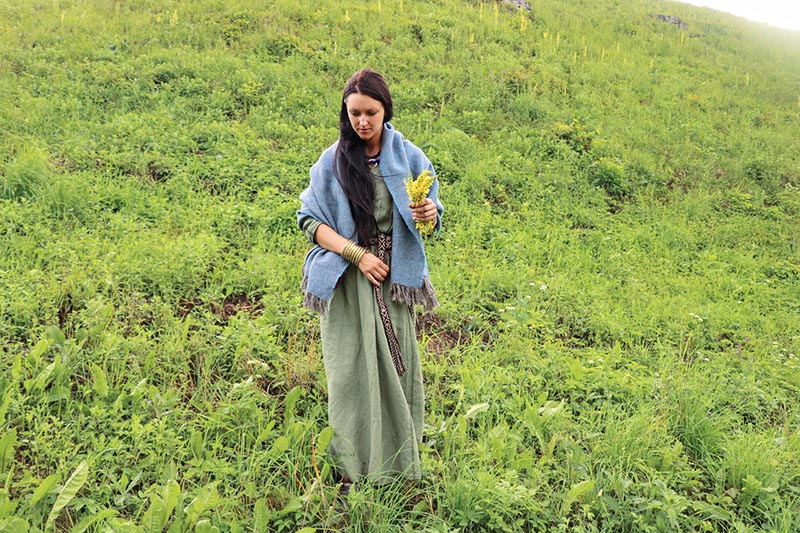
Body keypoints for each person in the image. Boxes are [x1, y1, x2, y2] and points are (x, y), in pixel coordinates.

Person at [297, 68, 443, 492]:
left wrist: (429, 216)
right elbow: (309, 220)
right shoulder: (333, 160)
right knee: (350, 372)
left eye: (371, 114)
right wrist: (356, 254)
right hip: (348, 279)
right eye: (354, 113)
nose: (362, 122)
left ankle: (398, 464)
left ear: (386, 111)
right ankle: (353, 467)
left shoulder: (409, 157)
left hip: (393, 280)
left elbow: (432, 219)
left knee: (396, 370)